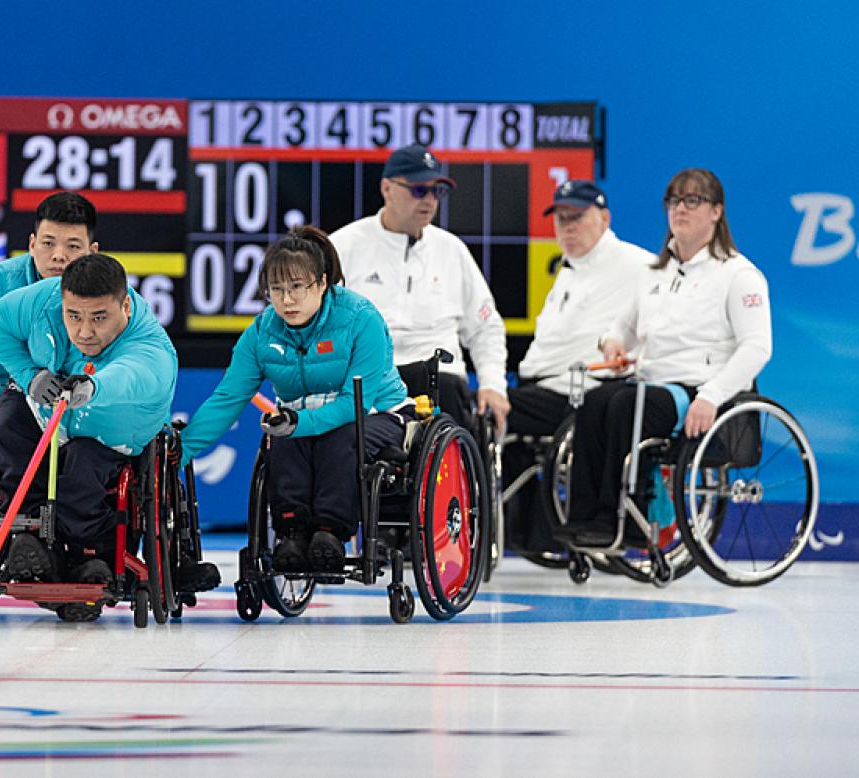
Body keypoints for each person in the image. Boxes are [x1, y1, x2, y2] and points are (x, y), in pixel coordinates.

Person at [0, 253, 218, 619]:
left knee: (83, 459)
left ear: (125, 305)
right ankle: (28, 538)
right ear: (62, 301)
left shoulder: (152, 346)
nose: (84, 331)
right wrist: (29, 375)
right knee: (8, 419)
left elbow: (132, 374)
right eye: (73, 316)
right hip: (48, 418)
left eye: (99, 318)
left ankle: (90, 554)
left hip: (110, 440)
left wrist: (93, 387)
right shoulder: (42, 301)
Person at [554, 168, 772, 547]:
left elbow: (757, 347)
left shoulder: (739, 275)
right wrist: (613, 344)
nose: (680, 209)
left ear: (717, 212)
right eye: (674, 201)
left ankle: (620, 521)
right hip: (648, 382)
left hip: (695, 390)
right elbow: (619, 328)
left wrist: (710, 396)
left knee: (625, 404)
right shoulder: (654, 273)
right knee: (592, 401)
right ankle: (581, 518)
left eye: (693, 200)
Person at [180, 226, 412, 573]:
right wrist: (179, 450)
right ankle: (290, 531)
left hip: (378, 413)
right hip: (301, 419)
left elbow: (355, 405)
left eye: (297, 288)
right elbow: (228, 398)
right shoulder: (262, 332)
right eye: (277, 289)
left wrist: (297, 423)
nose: (286, 300)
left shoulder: (361, 319)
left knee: (337, 436)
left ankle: (330, 532)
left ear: (322, 283)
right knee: (281, 438)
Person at [501, 181, 652, 551]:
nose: (567, 226)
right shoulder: (569, 271)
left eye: (577, 218)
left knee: (487, 409)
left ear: (604, 219)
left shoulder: (640, 265)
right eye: (561, 218)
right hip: (544, 385)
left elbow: (662, 321)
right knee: (498, 411)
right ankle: (527, 532)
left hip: (585, 391)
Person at [331, 143, 510, 433]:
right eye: (418, 190)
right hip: (370, 377)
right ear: (386, 189)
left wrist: (492, 384)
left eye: (436, 191)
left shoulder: (452, 250)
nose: (429, 200)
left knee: (450, 391)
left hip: (439, 379)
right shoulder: (344, 246)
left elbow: (485, 327)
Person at [0, 191, 98, 436]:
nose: (59, 255)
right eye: (48, 243)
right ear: (32, 245)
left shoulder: (107, 292)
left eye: (73, 246)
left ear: (92, 252)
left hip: (69, 411)